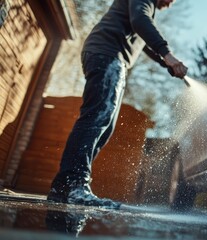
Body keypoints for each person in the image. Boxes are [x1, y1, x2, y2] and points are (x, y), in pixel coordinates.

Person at [47, 0, 187, 209]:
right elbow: (140, 19)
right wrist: (167, 53)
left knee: (104, 125)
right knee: (97, 118)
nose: (171, 2)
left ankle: (62, 187)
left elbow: (141, 35)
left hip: (108, 55)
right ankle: (74, 184)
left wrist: (163, 61)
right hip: (108, 54)